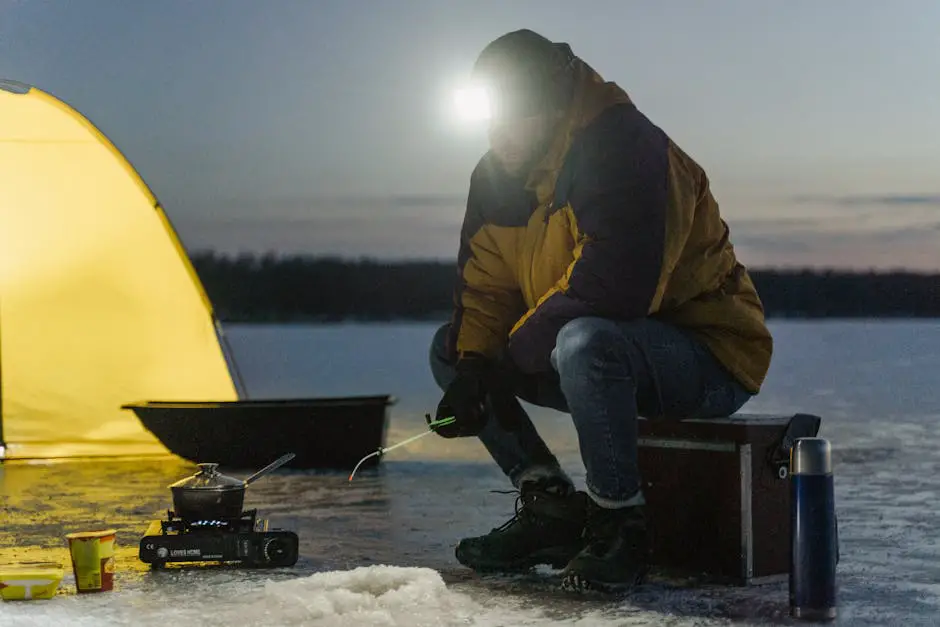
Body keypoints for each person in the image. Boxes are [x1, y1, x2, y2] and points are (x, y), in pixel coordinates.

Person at [428, 29, 773, 592]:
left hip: (708, 356)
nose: (499, 133)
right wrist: (473, 370)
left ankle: (618, 522)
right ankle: (550, 507)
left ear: (549, 103)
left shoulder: (623, 146)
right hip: (592, 355)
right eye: (490, 117)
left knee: (584, 340)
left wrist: (506, 359)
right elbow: (485, 291)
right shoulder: (496, 176)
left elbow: (615, 288)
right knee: (452, 345)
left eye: (512, 115)